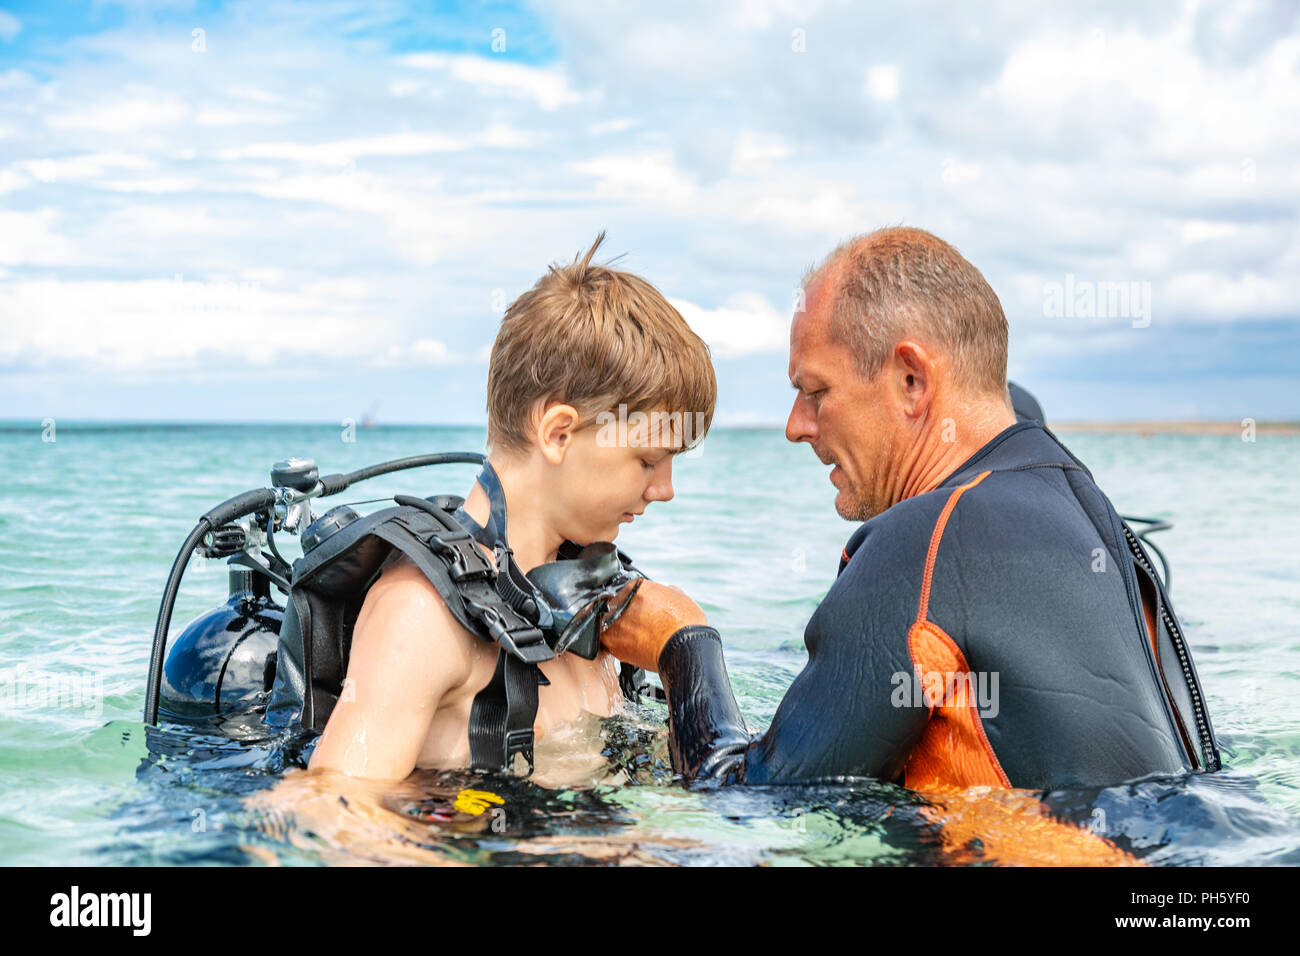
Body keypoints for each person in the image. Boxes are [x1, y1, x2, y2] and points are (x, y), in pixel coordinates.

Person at [602, 226, 1219, 793]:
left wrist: (681, 644)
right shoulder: (1089, 511)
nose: (795, 426)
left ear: (911, 381)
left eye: (815, 393)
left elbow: (746, 799)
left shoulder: (924, 545)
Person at [305, 233, 716, 781]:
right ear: (559, 433)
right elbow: (327, 816)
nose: (665, 489)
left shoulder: (589, 610)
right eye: (647, 460)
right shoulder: (421, 616)